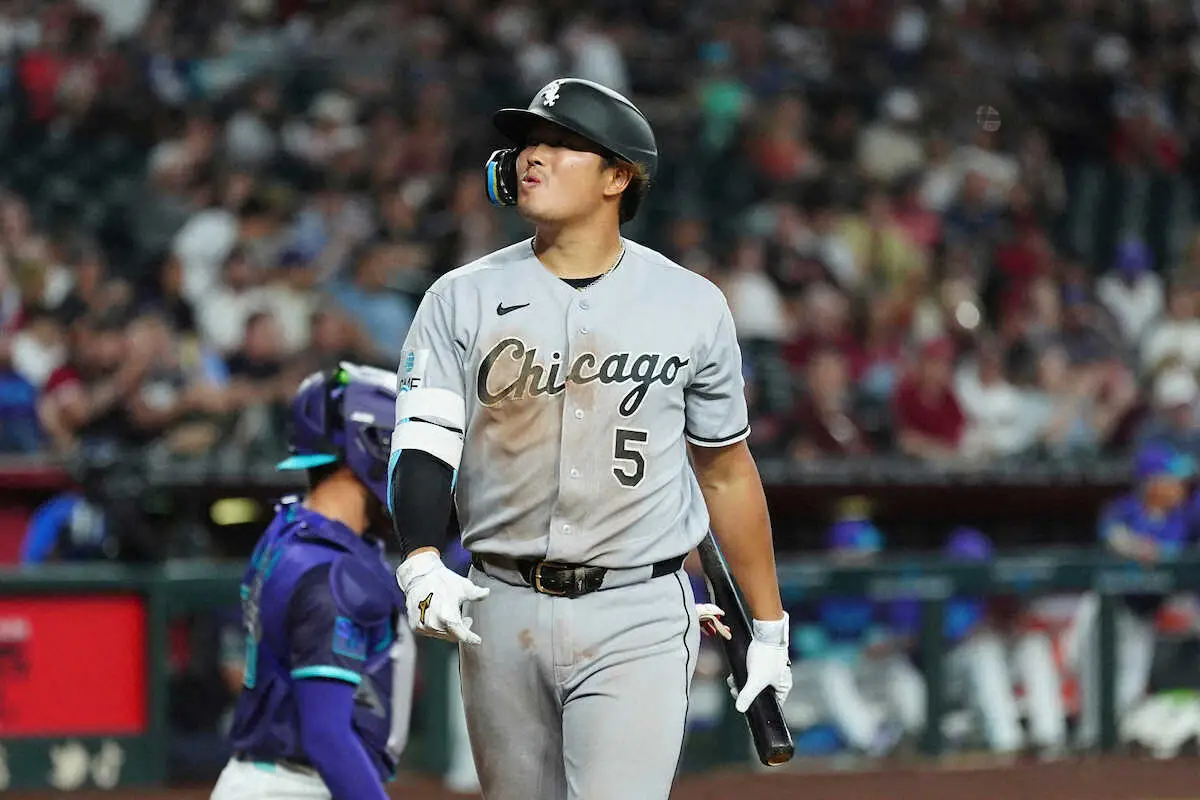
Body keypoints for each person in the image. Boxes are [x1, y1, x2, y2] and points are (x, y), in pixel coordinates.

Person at [386, 77, 791, 799]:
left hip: (638, 606)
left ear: (618, 177)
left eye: (562, 143)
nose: (532, 156)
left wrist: (769, 626)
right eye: (528, 142)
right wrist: (420, 558)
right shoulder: (459, 297)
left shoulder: (692, 304)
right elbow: (423, 444)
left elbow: (726, 471)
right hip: (500, 602)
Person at [210, 363, 415, 800]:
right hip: (296, 787)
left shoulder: (291, 527)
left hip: (271, 779)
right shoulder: (332, 573)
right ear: (371, 448)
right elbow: (327, 737)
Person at [1069, 441, 1195, 749]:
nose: (1178, 485)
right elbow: (1113, 537)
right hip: (1106, 610)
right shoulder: (1123, 508)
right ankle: (1083, 762)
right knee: (1093, 691)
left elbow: (1168, 554)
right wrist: (1139, 548)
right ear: (1150, 481)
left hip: (1142, 618)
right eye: (1170, 478)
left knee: (1128, 697)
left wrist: (1150, 551)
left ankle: (1115, 766)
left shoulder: (1179, 521)